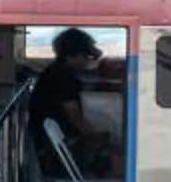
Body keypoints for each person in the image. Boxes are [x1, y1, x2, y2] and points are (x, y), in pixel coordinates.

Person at [32, 26, 116, 172]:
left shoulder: (55, 72)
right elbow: (76, 118)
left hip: (47, 145)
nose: (87, 62)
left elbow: (82, 88)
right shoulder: (64, 79)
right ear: (70, 56)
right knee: (121, 155)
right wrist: (97, 137)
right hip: (56, 153)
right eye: (85, 57)